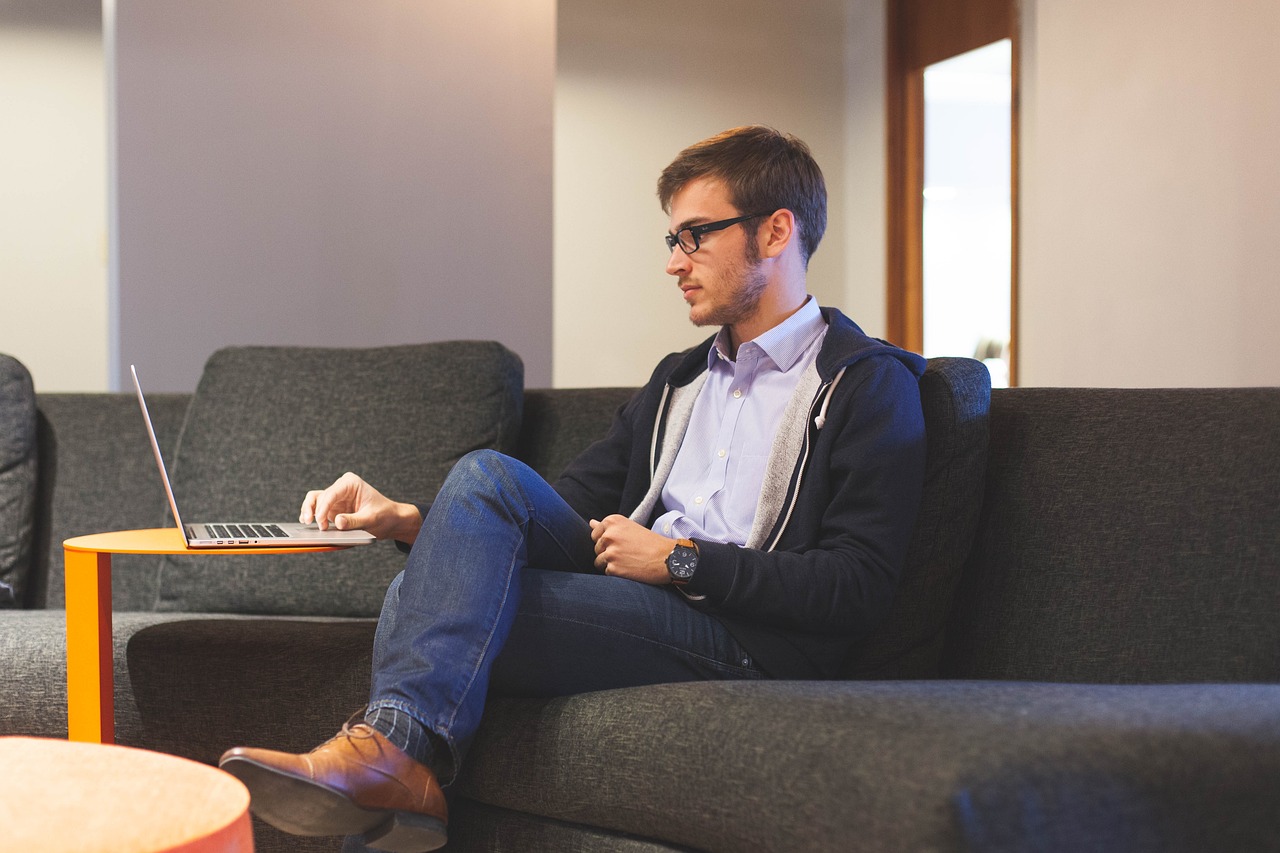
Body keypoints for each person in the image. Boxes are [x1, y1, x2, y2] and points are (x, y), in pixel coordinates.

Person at [219, 126, 927, 853]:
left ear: (776, 230)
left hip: (752, 638)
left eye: (695, 236)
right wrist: (407, 519)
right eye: (671, 240)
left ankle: (393, 762)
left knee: (422, 603)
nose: (674, 263)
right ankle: (399, 770)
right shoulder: (680, 379)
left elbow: (858, 585)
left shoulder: (865, 384)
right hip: (644, 600)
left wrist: (679, 559)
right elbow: (545, 505)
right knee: (484, 482)